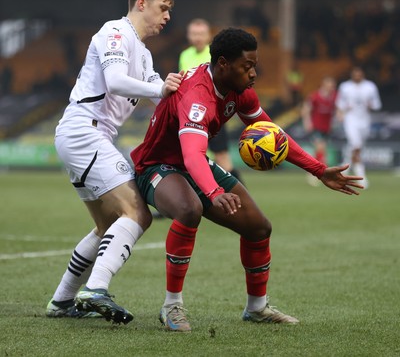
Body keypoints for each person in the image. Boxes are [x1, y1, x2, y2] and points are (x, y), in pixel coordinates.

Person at [130, 28, 363, 332]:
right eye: (247, 66)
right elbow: (190, 155)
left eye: (254, 65)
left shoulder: (240, 90)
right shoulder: (196, 95)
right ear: (223, 64)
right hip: (156, 165)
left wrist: (318, 169)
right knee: (189, 210)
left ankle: (257, 308)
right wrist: (212, 192)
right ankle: (171, 306)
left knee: (258, 227)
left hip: (195, 163)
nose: (253, 73)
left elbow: (271, 133)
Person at [45, 0, 183, 324]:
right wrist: (161, 91)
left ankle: (62, 301)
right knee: (138, 214)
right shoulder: (115, 33)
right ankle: (95, 289)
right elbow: (117, 82)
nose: (167, 16)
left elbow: (162, 94)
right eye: (163, 8)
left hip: (91, 137)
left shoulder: (146, 56)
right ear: (141, 3)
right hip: (83, 131)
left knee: (108, 224)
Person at [179, 18, 244, 184]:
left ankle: (243, 198)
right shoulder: (184, 55)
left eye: (201, 34)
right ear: (188, 36)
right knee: (187, 159)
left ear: (209, 36)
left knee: (222, 157)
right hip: (192, 116)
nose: (197, 37)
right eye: (194, 34)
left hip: (213, 113)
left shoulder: (214, 54)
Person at [336, 66, 382, 189]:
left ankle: (344, 168)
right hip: (351, 120)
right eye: (355, 74)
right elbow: (340, 103)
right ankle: (361, 177)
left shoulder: (370, 86)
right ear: (352, 75)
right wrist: (341, 112)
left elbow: (377, 104)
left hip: (365, 121)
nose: (357, 76)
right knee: (356, 146)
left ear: (362, 75)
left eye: (359, 74)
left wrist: (371, 105)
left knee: (356, 147)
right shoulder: (345, 87)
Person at [301, 76, 337, 185]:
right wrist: (307, 122)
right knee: (320, 148)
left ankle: (317, 172)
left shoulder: (334, 97)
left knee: (322, 150)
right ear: (324, 85)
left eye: (333, 86)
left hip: (327, 128)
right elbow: (305, 109)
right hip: (316, 127)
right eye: (330, 85)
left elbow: (338, 109)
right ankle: (317, 173)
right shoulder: (315, 96)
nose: (332, 88)